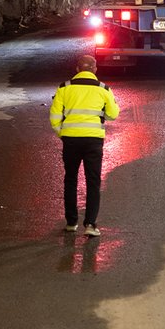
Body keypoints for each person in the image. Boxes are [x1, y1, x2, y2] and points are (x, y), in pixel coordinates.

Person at [50, 55, 119, 237]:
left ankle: (71, 222)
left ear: (77, 69)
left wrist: (62, 133)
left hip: (71, 139)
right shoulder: (104, 89)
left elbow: (55, 117)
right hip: (93, 140)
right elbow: (113, 115)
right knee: (93, 181)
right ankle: (90, 224)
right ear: (95, 69)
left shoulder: (64, 88)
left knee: (71, 179)